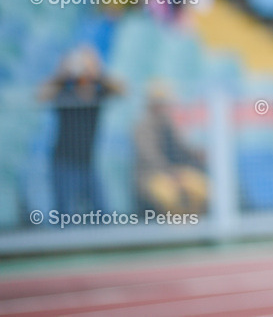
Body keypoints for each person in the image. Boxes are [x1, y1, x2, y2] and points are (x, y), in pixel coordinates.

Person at [38, 45, 124, 216]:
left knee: (102, 213)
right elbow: (41, 95)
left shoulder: (99, 92)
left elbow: (121, 90)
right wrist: (62, 73)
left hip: (88, 163)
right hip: (63, 163)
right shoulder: (65, 93)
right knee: (65, 215)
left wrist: (97, 71)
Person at [134, 83, 207, 215]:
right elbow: (150, 157)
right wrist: (170, 173)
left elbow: (181, 148)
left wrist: (197, 154)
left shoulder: (168, 124)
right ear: (155, 105)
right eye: (164, 104)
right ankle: (176, 229)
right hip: (151, 176)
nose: (168, 108)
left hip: (175, 173)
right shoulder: (142, 127)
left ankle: (194, 228)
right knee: (169, 197)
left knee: (200, 188)